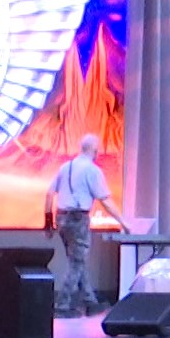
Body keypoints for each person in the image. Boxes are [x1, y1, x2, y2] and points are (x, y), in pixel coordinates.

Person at [44, 133, 124, 317]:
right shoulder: (92, 170)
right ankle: (62, 305)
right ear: (95, 150)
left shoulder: (66, 167)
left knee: (77, 260)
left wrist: (48, 223)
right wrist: (123, 222)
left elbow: (49, 194)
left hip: (61, 218)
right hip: (78, 219)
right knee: (76, 262)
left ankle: (90, 301)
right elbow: (106, 200)